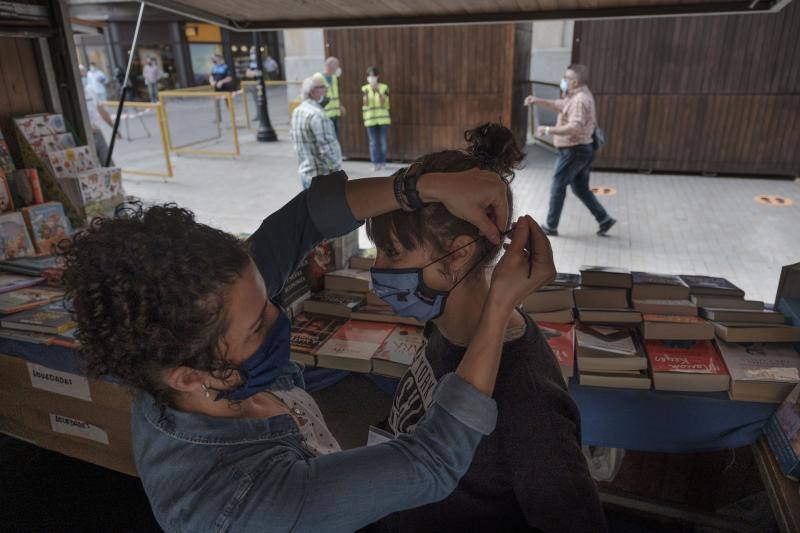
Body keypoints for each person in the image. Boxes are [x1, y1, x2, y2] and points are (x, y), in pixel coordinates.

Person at [57, 158, 557, 532]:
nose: (279, 317)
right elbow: (433, 461)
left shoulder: (187, 337)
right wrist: (498, 309)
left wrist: (422, 187)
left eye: (265, 295)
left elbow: (302, 221)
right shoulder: (247, 501)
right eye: (257, 326)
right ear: (192, 376)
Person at [365, 123, 606, 533]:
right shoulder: (443, 325)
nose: (377, 270)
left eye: (391, 253)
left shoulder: (526, 396)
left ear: (458, 257)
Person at [525, 64, 616, 237]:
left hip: (575, 151)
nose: (563, 81)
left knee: (558, 186)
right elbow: (561, 105)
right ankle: (604, 219)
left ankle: (550, 226)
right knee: (580, 189)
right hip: (582, 150)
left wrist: (547, 130)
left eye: (566, 78)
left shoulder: (580, 100)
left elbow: (575, 127)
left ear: (575, 81)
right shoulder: (577, 96)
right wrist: (537, 100)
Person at [291, 75, 342, 189]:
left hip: (305, 173)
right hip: (320, 177)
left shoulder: (297, 111)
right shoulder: (318, 115)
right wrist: (337, 170)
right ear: (312, 92)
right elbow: (327, 148)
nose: (325, 91)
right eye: (322, 87)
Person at [79, 64, 120, 165]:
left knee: (108, 164)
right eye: (81, 76)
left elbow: (101, 110)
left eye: (84, 75)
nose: (83, 78)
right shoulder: (73, 96)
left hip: (97, 133)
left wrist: (114, 128)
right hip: (83, 137)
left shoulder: (90, 90)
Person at [362, 67, 391, 172]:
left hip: (383, 120)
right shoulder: (365, 88)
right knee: (373, 142)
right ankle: (375, 163)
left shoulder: (384, 87)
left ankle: (383, 162)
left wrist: (378, 92)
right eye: (369, 75)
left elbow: (384, 102)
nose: (371, 78)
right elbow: (365, 104)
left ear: (377, 76)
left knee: (383, 142)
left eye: (373, 75)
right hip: (370, 119)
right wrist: (366, 96)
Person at [315, 56, 346, 136]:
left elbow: (334, 95)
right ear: (331, 66)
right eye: (337, 66)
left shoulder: (334, 77)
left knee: (335, 136)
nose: (338, 68)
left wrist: (340, 106)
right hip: (325, 114)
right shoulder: (318, 78)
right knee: (327, 137)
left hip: (335, 114)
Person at [209, 53, 234, 124]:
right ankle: (218, 118)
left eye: (215, 59)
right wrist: (211, 81)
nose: (214, 60)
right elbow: (211, 76)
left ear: (220, 59)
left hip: (226, 89)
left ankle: (232, 117)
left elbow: (229, 78)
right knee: (216, 105)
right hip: (217, 90)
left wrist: (222, 82)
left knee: (228, 104)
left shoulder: (226, 67)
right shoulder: (214, 67)